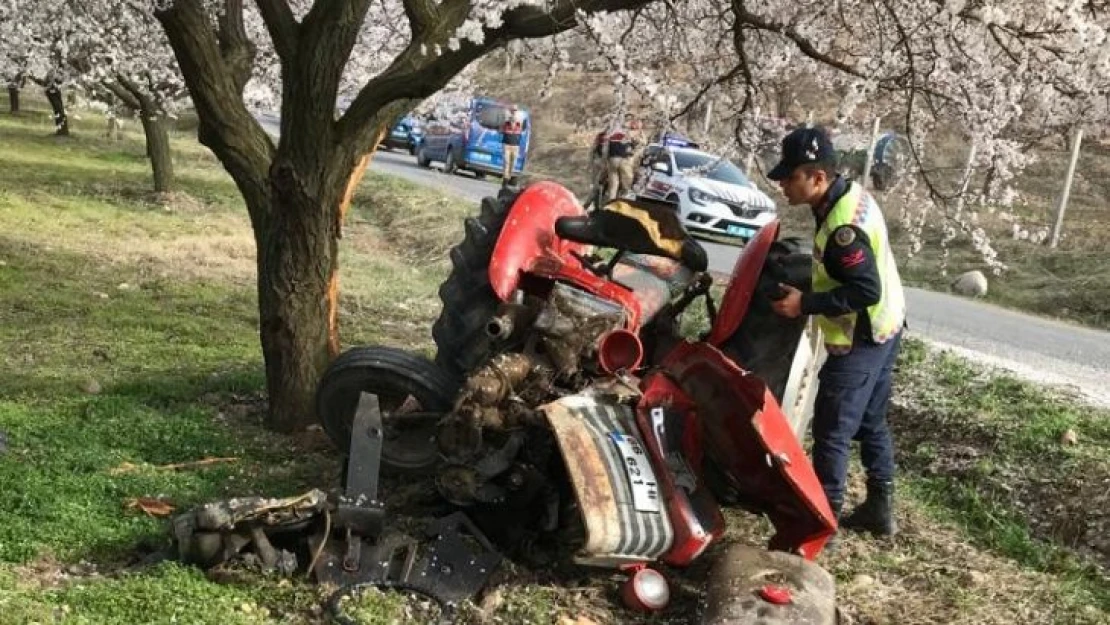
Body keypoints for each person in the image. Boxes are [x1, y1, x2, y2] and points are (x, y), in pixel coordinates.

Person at [766, 126, 907, 541]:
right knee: (870, 420)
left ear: (818, 177)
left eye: (790, 177)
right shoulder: (847, 198)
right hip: (888, 326)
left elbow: (865, 289)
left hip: (862, 337)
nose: (782, 185)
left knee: (832, 430)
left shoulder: (844, 227)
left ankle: (817, 527)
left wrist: (804, 304)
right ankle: (880, 508)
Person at [501, 105, 524, 183]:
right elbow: (501, 129)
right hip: (506, 145)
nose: (514, 111)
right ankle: (505, 178)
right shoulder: (506, 121)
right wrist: (509, 121)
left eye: (515, 110)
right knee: (506, 161)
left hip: (515, 146)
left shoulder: (519, 121)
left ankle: (509, 176)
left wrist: (516, 122)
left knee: (513, 163)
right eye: (512, 110)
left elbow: (520, 129)